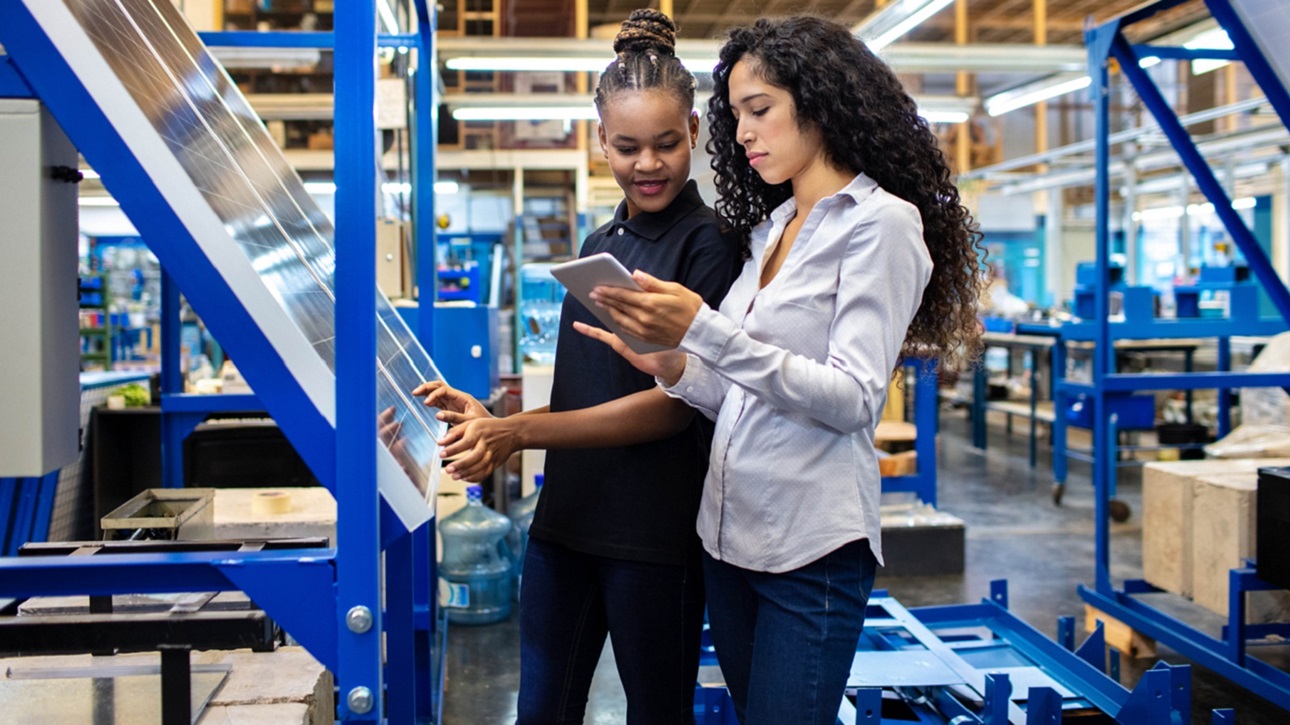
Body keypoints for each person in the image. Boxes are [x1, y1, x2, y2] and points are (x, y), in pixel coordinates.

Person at [575, 15, 985, 724]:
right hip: (728, 541)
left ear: (820, 102)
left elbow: (854, 397)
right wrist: (671, 361)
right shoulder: (771, 230)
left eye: (759, 110)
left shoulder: (879, 225)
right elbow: (737, 386)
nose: (742, 134)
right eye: (736, 116)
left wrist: (703, 329)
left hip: (810, 549)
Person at [413, 9, 742, 724]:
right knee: (543, 710)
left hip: (653, 537)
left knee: (654, 714)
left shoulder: (709, 246)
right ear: (600, 141)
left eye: (664, 143)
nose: (647, 164)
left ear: (693, 132)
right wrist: (493, 418)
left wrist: (518, 431)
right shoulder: (602, 239)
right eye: (626, 146)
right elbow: (588, 383)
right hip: (563, 525)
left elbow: (676, 403)